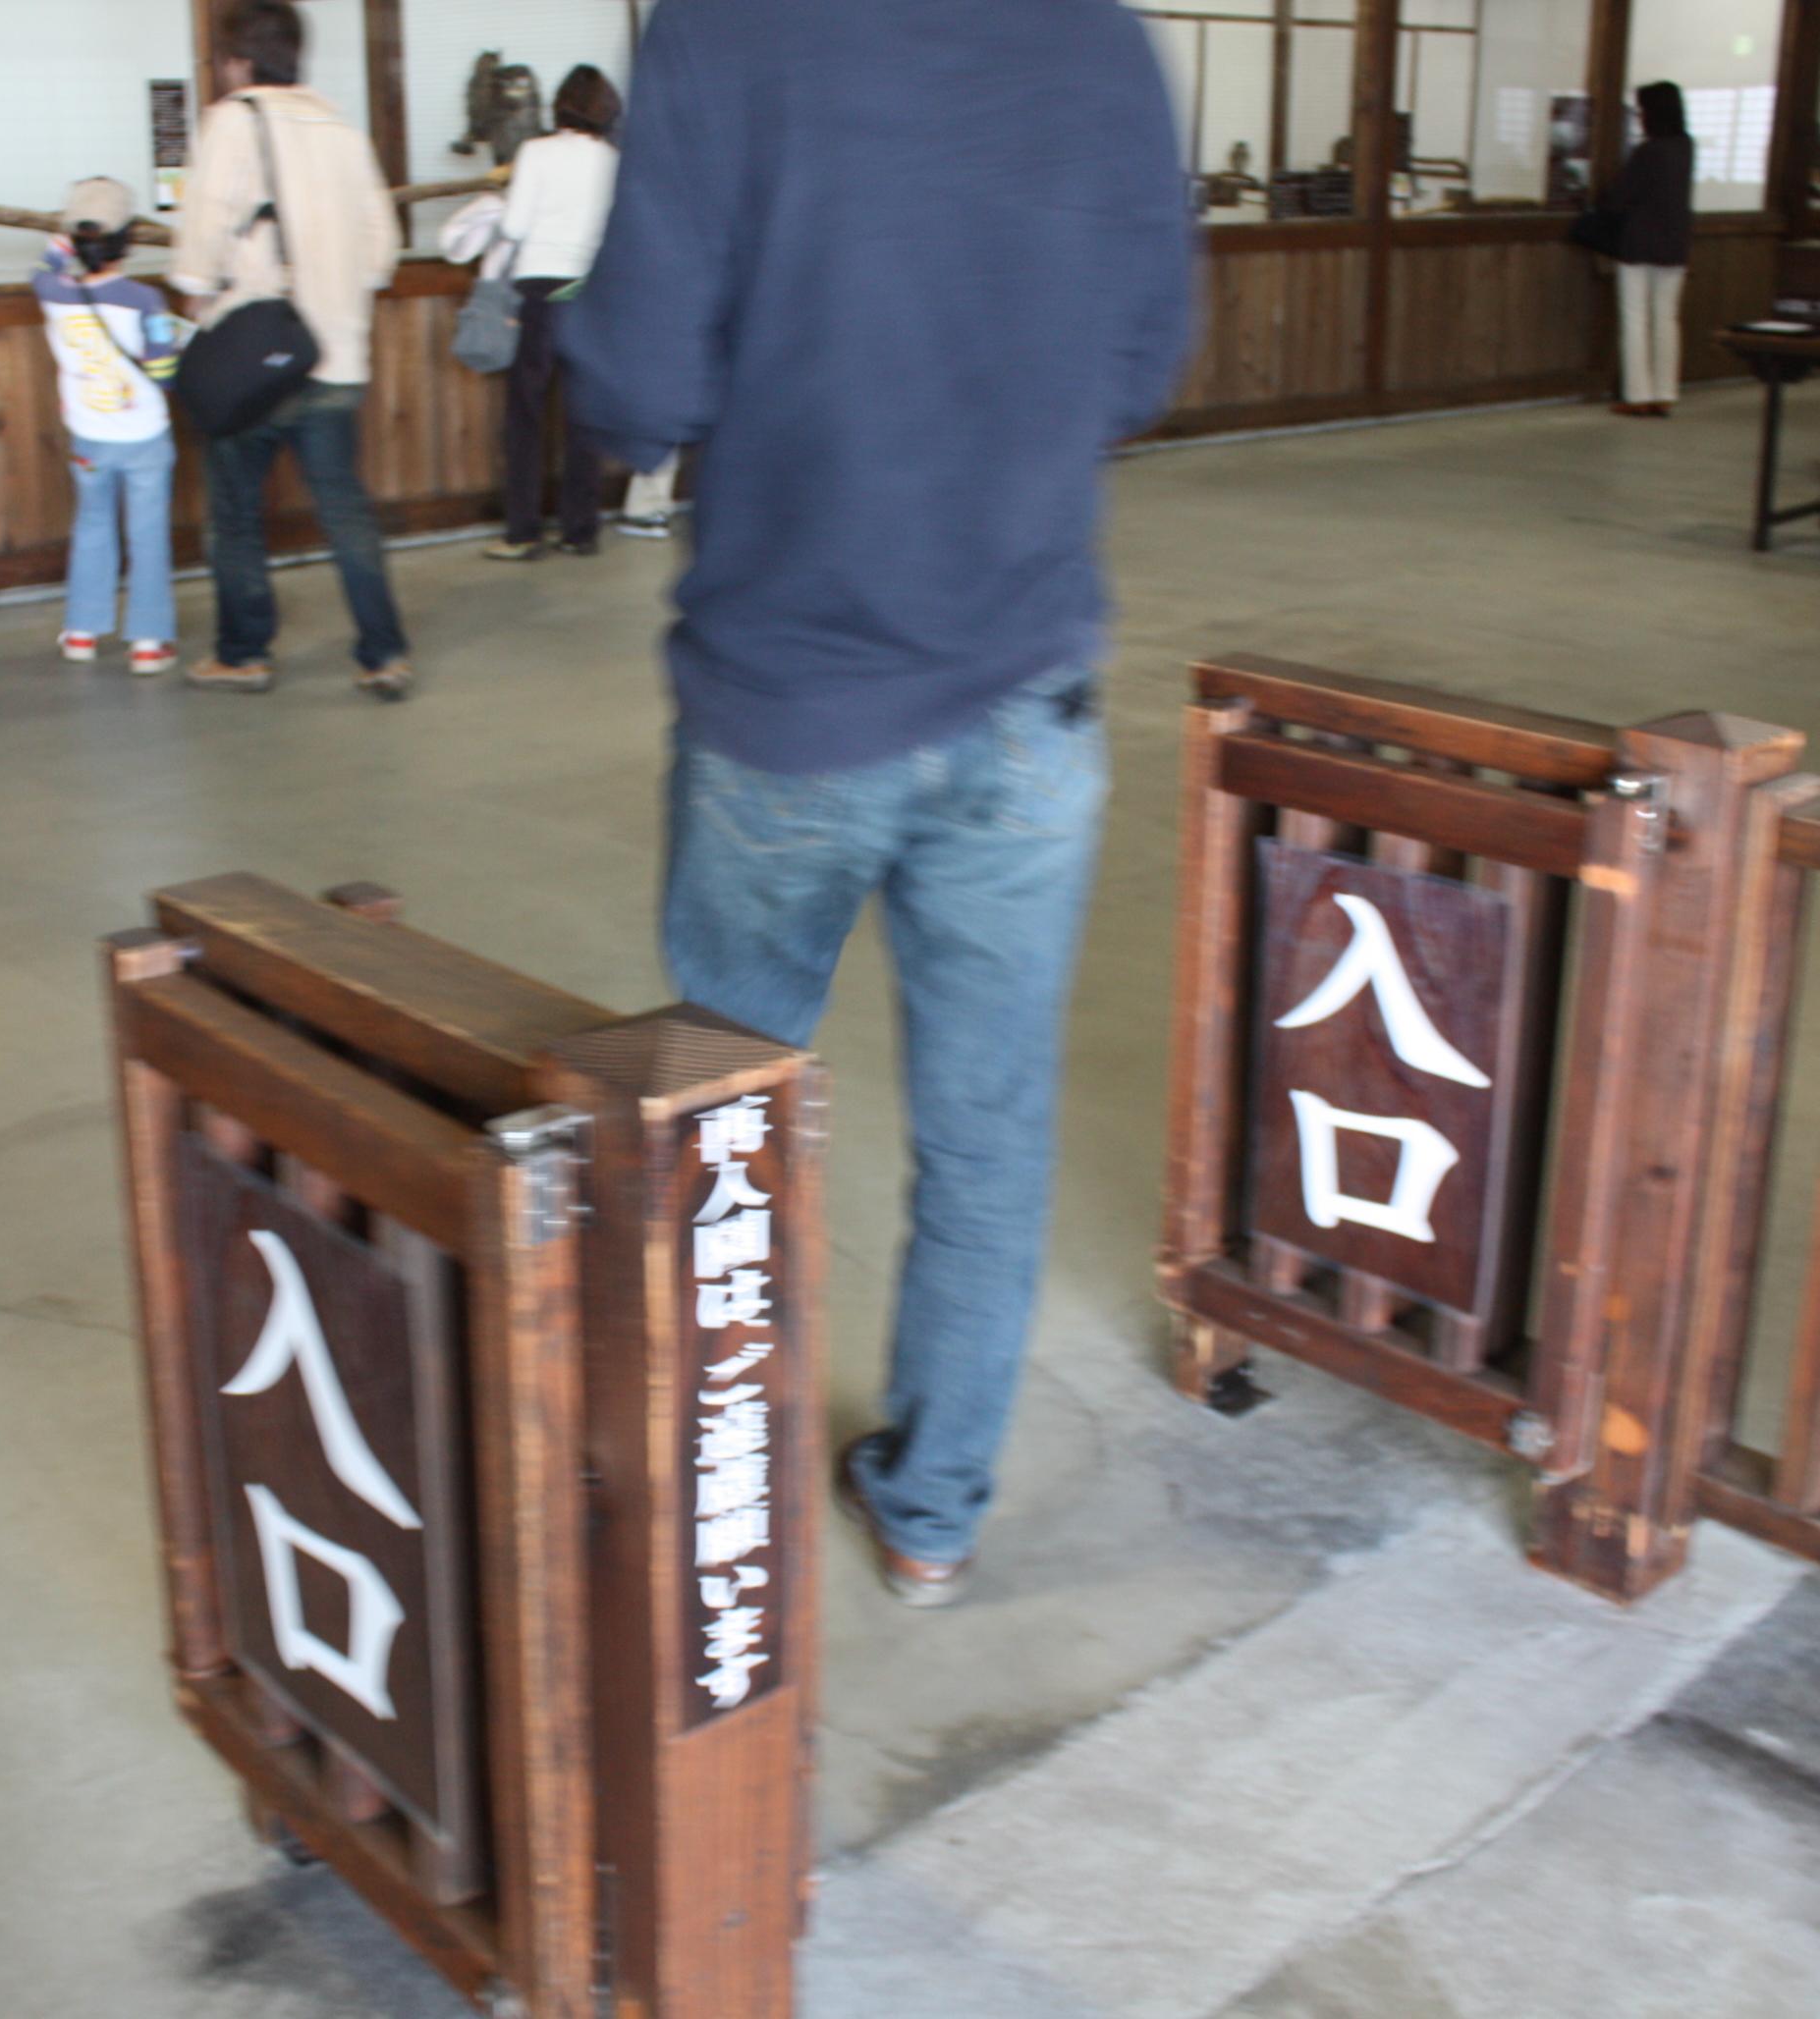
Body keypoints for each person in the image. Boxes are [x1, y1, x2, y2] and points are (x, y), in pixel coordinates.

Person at [561, 0, 1194, 1607]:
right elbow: (1144, 359)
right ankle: (931, 1512)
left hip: (789, 700)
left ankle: (712, 1493)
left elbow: (634, 380)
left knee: (721, 1125)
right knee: (988, 1133)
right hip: (1026, 689)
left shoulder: (726, 31)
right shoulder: (1101, 42)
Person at [171, 1, 411, 700]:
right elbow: (382, 248)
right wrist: (334, 293)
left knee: (235, 514)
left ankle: (244, 654)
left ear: (239, 59)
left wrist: (197, 292)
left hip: (254, 356)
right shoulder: (341, 128)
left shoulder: (233, 119)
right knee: (345, 510)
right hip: (333, 356)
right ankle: (384, 654)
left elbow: (203, 227)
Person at [34, 178, 184, 677]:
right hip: (144, 437)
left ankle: (81, 631)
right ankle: (148, 642)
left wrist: (62, 247)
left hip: (89, 437)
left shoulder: (52, 291)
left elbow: (43, 267)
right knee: (147, 534)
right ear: (129, 241)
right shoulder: (145, 299)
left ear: (75, 241)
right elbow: (164, 371)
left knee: (92, 526)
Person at [485, 66, 624, 563]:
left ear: (559, 105)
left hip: (541, 287)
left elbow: (516, 226)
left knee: (526, 412)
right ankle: (579, 531)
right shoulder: (614, 161)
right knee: (583, 412)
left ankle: (523, 532)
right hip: (590, 288)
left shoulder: (537, 152)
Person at [1606, 82, 1694, 420]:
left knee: (1635, 318)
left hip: (1639, 244)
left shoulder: (1647, 152)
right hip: (1675, 244)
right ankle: (1665, 393)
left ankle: (1637, 395)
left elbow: (1619, 197)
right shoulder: (1686, 147)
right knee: (1667, 319)